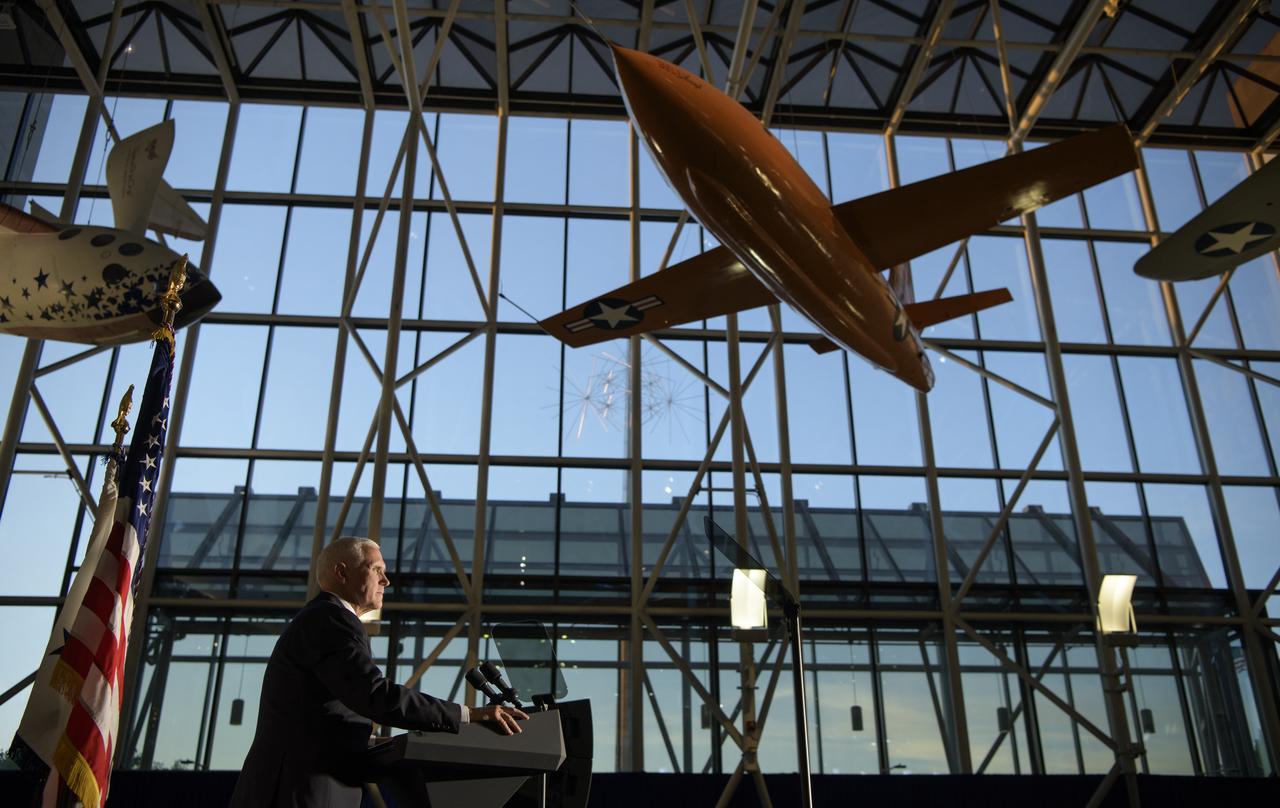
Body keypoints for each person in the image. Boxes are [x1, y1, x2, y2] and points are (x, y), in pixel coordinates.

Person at [228, 537, 528, 808]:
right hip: (299, 790)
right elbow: (375, 695)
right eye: (377, 570)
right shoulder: (330, 619)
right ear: (342, 572)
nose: (386, 580)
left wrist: (370, 742)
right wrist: (468, 714)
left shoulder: (323, 618)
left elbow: (324, 711)